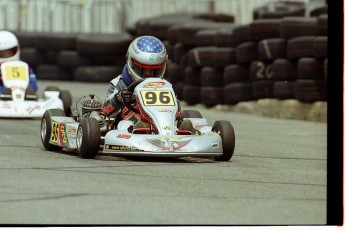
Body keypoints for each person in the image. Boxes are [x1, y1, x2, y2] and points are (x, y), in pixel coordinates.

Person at [100, 35, 193, 133]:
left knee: (183, 122)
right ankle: (140, 130)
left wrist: (176, 111)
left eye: (154, 71)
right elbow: (104, 112)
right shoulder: (120, 84)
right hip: (130, 124)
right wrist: (118, 98)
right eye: (143, 70)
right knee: (124, 125)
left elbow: (177, 111)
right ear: (131, 62)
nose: (148, 75)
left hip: (161, 123)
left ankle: (181, 131)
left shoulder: (165, 86)